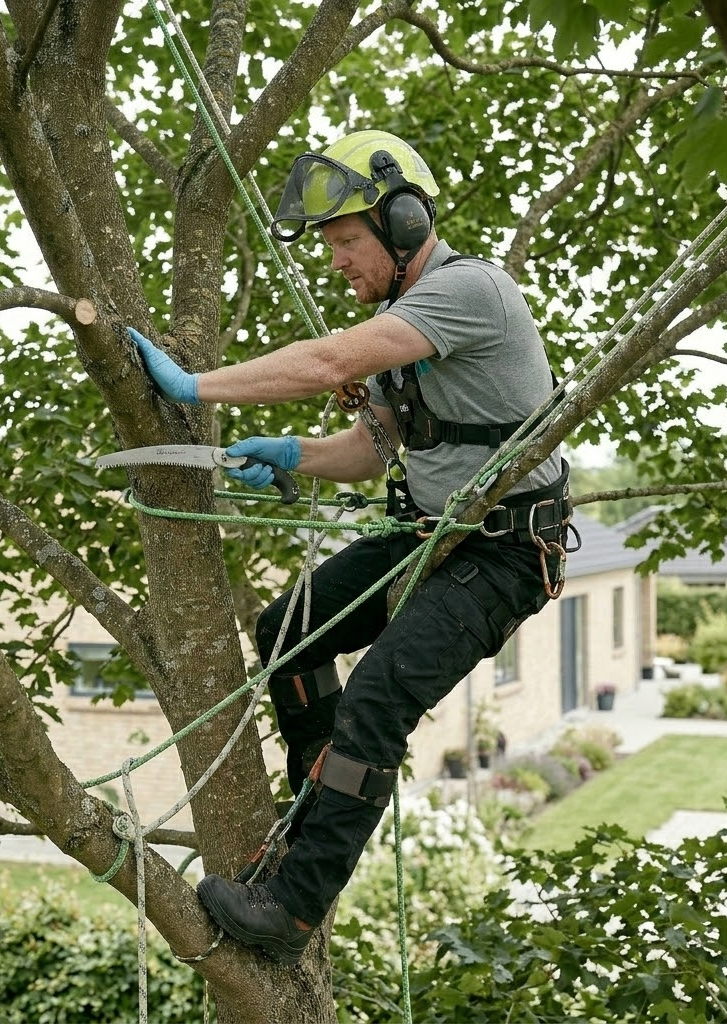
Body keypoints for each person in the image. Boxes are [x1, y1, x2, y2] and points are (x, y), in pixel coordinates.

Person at [128, 129, 571, 965]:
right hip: (426, 532)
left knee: (375, 699)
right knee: (286, 630)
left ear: (403, 222)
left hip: (503, 551)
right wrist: (294, 453)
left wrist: (193, 386)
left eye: (345, 242)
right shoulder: (397, 328)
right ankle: (312, 801)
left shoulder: (467, 290)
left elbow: (326, 357)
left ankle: (293, 909)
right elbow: (373, 452)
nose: (336, 262)